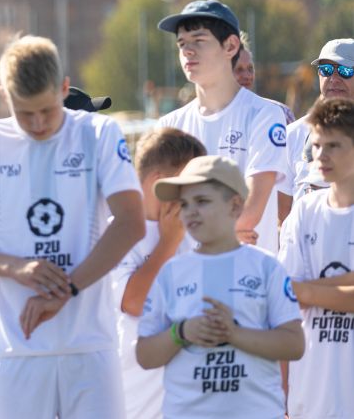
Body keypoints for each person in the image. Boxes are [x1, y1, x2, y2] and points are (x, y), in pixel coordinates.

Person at [0, 35, 145, 419]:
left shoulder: (99, 134)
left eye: (47, 111)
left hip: (90, 347)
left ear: (65, 88)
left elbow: (132, 222)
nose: (36, 123)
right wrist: (15, 266)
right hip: (15, 351)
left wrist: (66, 289)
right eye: (24, 112)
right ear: (4, 95)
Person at [136, 155, 304, 418]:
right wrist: (181, 331)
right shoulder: (170, 272)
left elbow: (294, 344)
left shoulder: (266, 267)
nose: (189, 211)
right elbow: (145, 355)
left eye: (202, 201)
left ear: (235, 205)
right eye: (184, 203)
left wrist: (233, 333)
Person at [157, 0, 287, 254]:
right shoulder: (169, 125)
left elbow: (250, 211)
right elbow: (161, 213)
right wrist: (225, 233)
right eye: (182, 44)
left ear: (230, 46)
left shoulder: (265, 114)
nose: (188, 51)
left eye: (199, 40)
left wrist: (195, 238)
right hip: (188, 281)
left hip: (246, 280)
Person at [111, 128, 206, 419]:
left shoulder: (194, 232)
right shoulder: (115, 231)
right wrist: (168, 243)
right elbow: (134, 302)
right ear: (159, 183)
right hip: (127, 401)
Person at [278, 97, 354, 419]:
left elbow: (298, 290)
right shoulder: (305, 211)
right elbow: (283, 297)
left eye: (333, 146)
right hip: (308, 401)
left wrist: (307, 291)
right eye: (318, 145)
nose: (321, 155)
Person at [278, 38, 354, 219]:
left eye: (345, 71)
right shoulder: (293, 134)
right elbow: (283, 210)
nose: (334, 79)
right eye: (326, 70)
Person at [232, 37, 295, 124]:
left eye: (250, 69)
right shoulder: (211, 117)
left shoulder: (281, 113)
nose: (247, 76)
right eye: (239, 69)